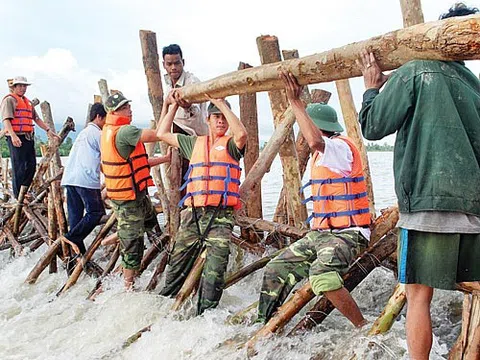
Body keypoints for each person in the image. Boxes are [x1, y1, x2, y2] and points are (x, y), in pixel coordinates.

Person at [356, 4, 480, 359]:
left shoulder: (416, 71)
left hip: (427, 204)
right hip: (473, 208)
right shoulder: (475, 87)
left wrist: (371, 89)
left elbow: (374, 126)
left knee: (417, 294)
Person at [256, 71, 372, 327]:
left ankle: (362, 327)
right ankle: (264, 327)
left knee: (322, 275)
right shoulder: (321, 155)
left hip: (348, 234)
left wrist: (296, 103)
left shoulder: (339, 147)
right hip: (321, 234)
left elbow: (314, 140)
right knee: (276, 269)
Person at [157, 91, 247, 315]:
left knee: (215, 272)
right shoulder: (193, 143)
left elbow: (242, 134)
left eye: (224, 118)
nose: (220, 121)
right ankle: (166, 309)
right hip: (193, 215)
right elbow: (162, 133)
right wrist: (173, 106)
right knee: (176, 265)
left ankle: (205, 316)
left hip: (220, 217)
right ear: (207, 119)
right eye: (215, 116)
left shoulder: (232, 146)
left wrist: (222, 104)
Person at [101, 92, 170, 290]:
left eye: (128, 106)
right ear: (114, 112)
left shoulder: (110, 130)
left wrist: (164, 159)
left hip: (134, 195)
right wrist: (169, 107)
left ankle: (124, 236)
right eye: (124, 108)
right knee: (133, 244)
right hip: (128, 199)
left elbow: (138, 163)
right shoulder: (124, 132)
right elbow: (158, 134)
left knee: (150, 221)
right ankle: (128, 286)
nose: (129, 110)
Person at [59, 103, 107, 256]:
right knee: (96, 212)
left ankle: (77, 259)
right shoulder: (97, 133)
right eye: (105, 119)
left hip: (70, 178)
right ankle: (70, 237)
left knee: (76, 219)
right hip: (85, 179)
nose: (106, 123)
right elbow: (107, 158)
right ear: (99, 117)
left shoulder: (83, 133)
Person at [0, 76, 59, 198]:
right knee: (18, 167)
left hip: (28, 137)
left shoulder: (27, 102)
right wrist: (13, 135)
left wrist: (48, 130)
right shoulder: (10, 100)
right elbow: (6, 120)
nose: (23, 88)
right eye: (20, 86)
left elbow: (36, 118)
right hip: (16, 136)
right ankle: (18, 195)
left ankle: (24, 191)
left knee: (31, 165)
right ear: (14, 87)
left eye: (24, 86)